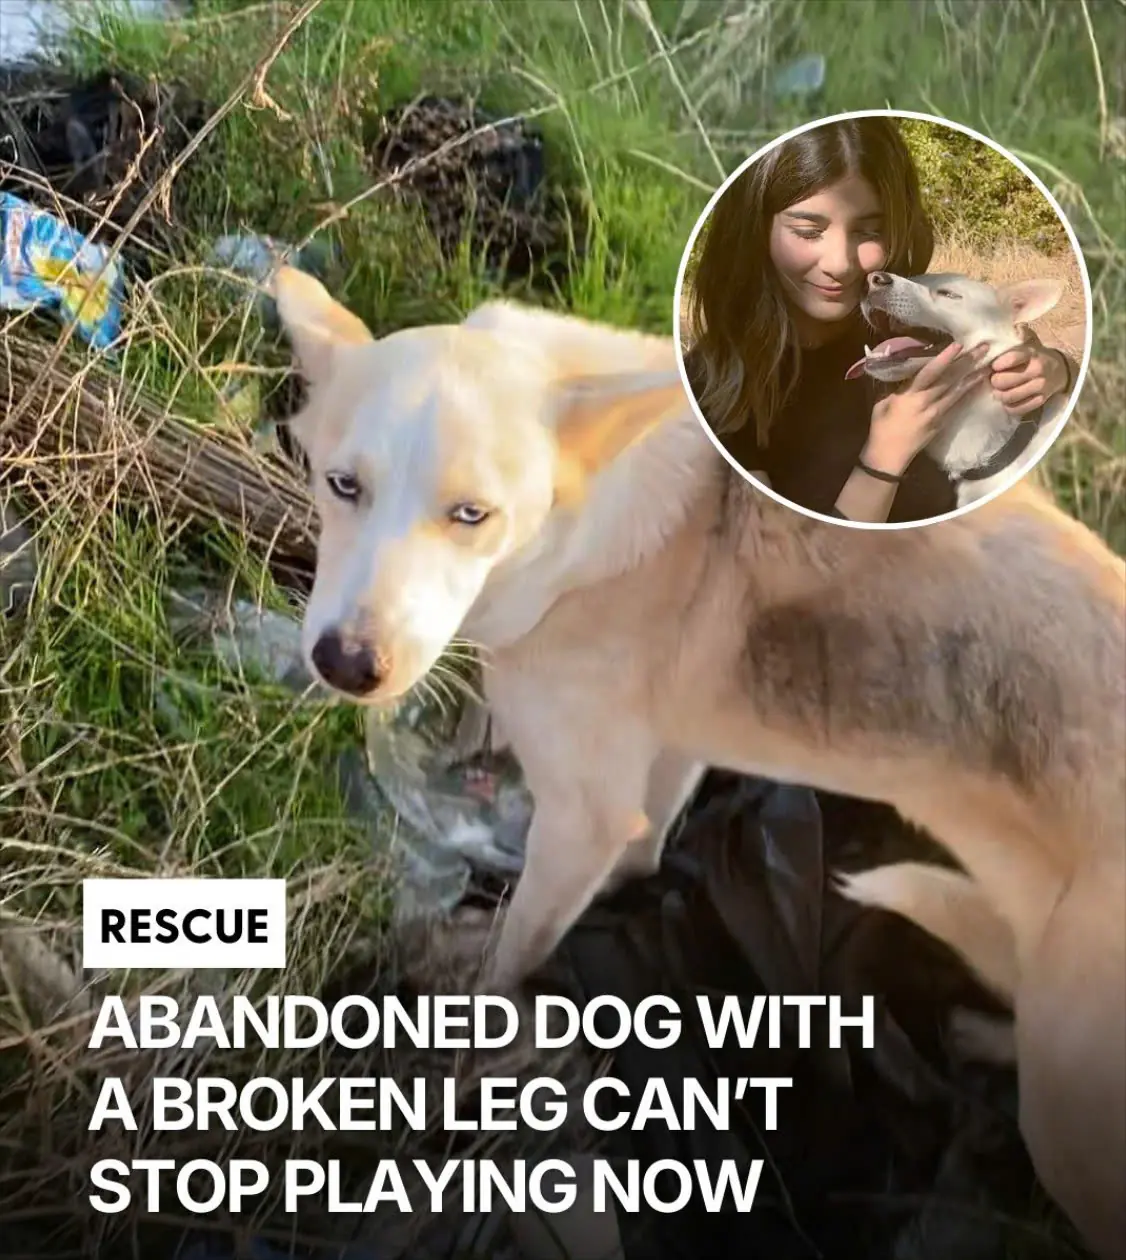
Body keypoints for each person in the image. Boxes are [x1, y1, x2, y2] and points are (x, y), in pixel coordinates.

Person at [683, 116, 1077, 524]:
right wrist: (883, 459)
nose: (840, 264)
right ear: (754, 230)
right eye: (807, 230)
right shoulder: (712, 391)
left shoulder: (901, 326)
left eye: (867, 232)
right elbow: (789, 569)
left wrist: (1058, 370)